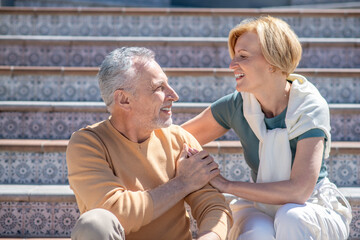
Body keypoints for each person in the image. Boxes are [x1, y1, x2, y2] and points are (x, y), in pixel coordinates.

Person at [182, 16, 352, 240]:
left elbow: (299, 191)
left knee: (291, 218)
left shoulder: (309, 107)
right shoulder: (237, 105)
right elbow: (176, 139)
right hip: (258, 204)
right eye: (234, 56)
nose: (232, 65)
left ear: (273, 61)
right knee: (257, 233)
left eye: (242, 56)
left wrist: (226, 184)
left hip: (310, 205)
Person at [66, 47, 233, 240]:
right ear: (124, 99)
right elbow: (117, 212)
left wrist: (210, 236)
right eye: (159, 88)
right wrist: (183, 183)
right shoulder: (87, 144)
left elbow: (213, 205)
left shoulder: (180, 139)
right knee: (95, 224)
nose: (174, 95)